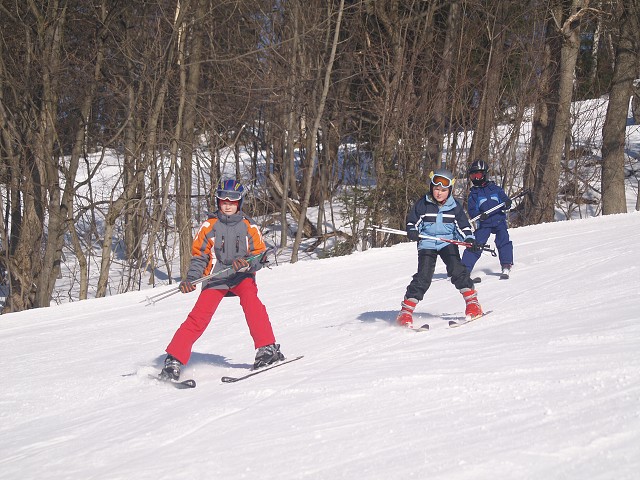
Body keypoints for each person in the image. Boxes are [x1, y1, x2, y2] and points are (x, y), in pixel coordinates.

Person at [160, 179, 284, 381]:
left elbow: (259, 255)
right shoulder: (209, 226)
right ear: (217, 201)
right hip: (216, 278)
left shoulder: (249, 226)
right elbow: (200, 256)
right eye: (223, 200)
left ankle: (267, 349)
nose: (227, 204)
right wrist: (192, 278)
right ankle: (174, 359)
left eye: (233, 200)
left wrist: (247, 264)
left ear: (240, 202)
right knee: (198, 316)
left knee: (252, 303)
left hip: (241, 276)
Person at [396, 168, 484, 328]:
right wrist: (413, 231)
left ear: (449, 190)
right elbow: (412, 221)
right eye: (436, 189)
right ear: (431, 187)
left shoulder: (454, 207)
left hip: (447, 243)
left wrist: (469, 239)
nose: (439, 193)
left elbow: (463, 227)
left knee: (457, 270)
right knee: (424, 276)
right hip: (427, 244)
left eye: (443, 190)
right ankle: (405, 312)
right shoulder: (423, 204)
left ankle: (473, 303)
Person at [461, 160, 514, 279]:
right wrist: (480, 215)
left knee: (503, 240)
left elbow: (505, 201)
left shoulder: (495, 189)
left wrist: (507, 203)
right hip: (484, 224)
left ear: (485, 174)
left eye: (478, 175)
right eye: (473, 175)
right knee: (475, 244)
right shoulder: (474, 194)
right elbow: (472, 211)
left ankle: (506, 264)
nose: (475, 178)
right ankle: (464, 270)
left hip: (499, 220)